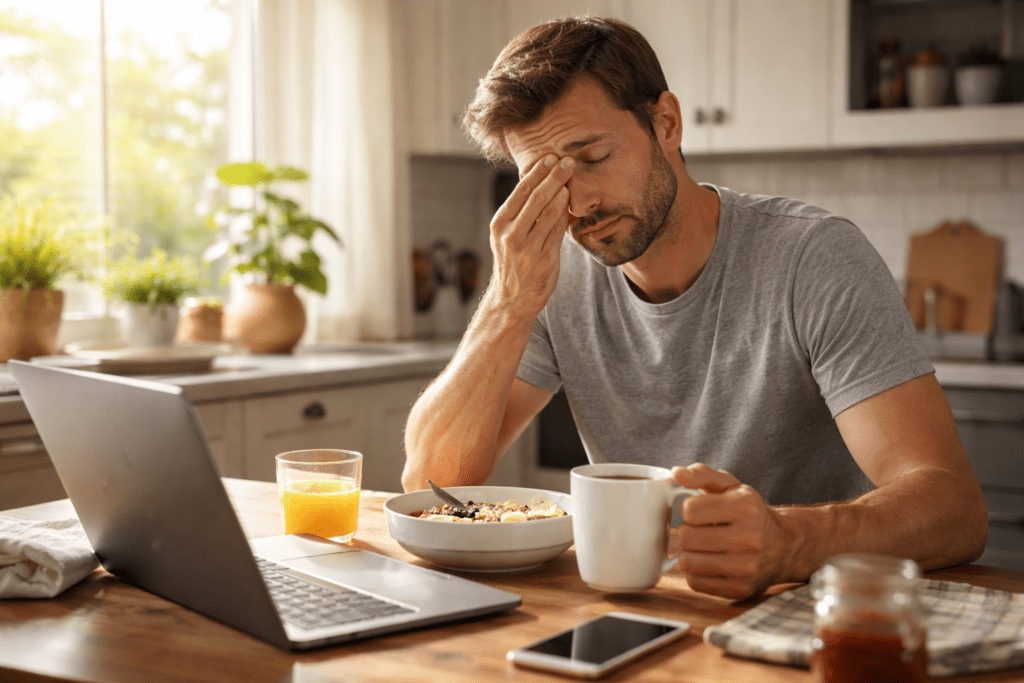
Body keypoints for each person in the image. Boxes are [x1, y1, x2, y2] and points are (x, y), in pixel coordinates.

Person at [401, 16, 987, 600]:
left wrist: (791, 541)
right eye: (544, 179)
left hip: (812, 610)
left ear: (667, 123)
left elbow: (953, 507)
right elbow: (432, 482)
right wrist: (507, 302)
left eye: (594, 157)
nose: (577, 204)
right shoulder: (547, 279)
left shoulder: (814, 258)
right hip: (651, 606)